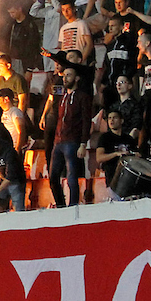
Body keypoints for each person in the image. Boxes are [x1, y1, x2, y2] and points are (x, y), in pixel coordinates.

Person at [49, 67, 91, 208]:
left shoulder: (82, 97)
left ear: (76, 78)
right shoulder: (62, 98)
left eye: (69, 75)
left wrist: (83, 143)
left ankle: (73, 206)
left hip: (72, 141)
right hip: (58, 141)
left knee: (71, 177)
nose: (65, 78)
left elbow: (86, 121)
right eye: (64, 75)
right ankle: (61, 205)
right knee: (53, 176)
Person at [95, 109, 137, 199]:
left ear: (121, 121)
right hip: (112, 179)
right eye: (109, 118)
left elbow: (136, 154)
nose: (111, 120)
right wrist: (116, 154)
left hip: (129, 179)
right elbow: (99, 158)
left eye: (114, 118)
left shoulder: (129, 139)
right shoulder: (105, 138)